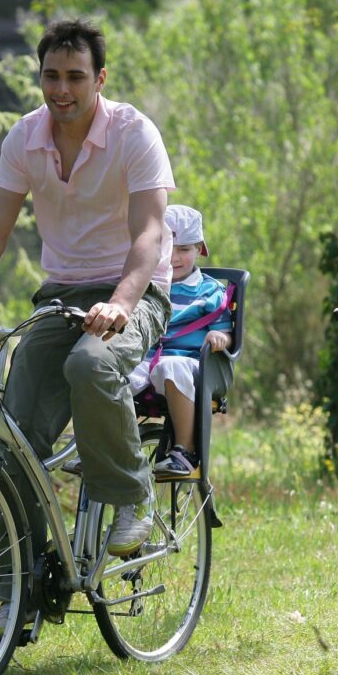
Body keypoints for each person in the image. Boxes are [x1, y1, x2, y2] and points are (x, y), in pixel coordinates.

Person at [0, 19, 175, 641]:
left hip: (135, 291)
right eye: (52, 76)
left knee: (90, 365)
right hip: (59, 296)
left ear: (99, 79)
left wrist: (124, 304)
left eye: (76, 77)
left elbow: (150, 235)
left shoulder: (134, 134)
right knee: (14, 439)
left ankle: (132, 495)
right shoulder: (24, 138)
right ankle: (16, 596)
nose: (62, 89)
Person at [126, 204, 232, 479]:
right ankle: (106, 446)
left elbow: (225, 331)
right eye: (167, 248)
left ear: (199, 249)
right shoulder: (148, 285)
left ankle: (185, 449)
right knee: (109, 372)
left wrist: (220, 336)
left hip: (190, 364)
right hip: (148, 359)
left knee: (171, 366)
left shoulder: (210, 290)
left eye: (183, 249)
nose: (174, 257)